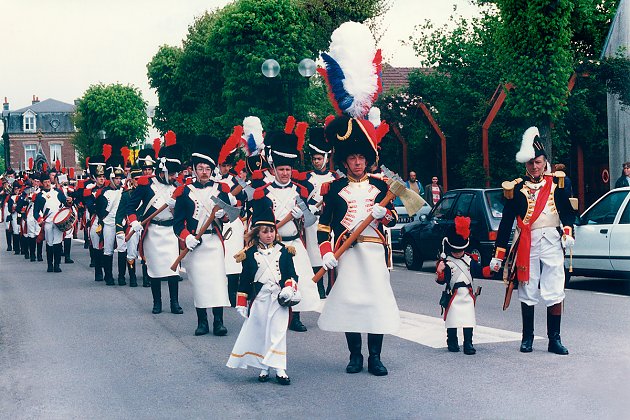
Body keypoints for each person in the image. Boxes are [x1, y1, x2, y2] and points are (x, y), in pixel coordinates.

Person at [317, 116, 399, 376]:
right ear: (345, 161)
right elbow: (323, 226)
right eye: (352, 158)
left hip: (374, 252)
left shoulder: (381, 186)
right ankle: (355, 355)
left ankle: (375, 357)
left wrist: (382, 214)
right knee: (350, 303)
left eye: (361, 157)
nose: (357, 162)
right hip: (347, 254)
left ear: (367, 159)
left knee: (375, 303)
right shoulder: (333, 188)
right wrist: (326, 252)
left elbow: (394, 217)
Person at [490, 126, 576, 355]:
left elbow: (568, 212)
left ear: (544, 161)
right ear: (525, 165)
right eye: (530, 163)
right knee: (527, 288)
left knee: (555, 289)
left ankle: (554, 339)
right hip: (527, 244)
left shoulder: (559, 183)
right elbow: (507, 222)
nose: (535, 167)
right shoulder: (516, 188)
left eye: (538, 162)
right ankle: (527, 337)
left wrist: (568, 232)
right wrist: (498, 254)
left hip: (552, 242)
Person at [250, 121, 319, 332]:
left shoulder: (301, 191)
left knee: (298, 279)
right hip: (273, 244)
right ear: (274, 169)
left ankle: (295, 317)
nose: (285, 173)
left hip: (294, 242)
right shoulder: (263, 192)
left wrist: (303, 214)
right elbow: (257, 223)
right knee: (273, 280)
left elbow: (309, 220)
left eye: (288, 169)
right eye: (281, 169)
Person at [226, 204, 299, 385]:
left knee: (278, 332)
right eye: (265, 231)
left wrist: (289, 288)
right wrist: (241, 302)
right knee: (262, 333)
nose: (269, 235)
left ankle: (280, 369)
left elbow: (292, 274)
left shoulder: (284, 251)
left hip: (279, 299)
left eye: (272, 231)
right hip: (259, 299)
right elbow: (245, 279)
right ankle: (264, 368)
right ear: (257, 233)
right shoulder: (249, 254)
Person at [173, 141, 232, 336]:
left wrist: (223, 214)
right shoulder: (185, 192)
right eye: (200, 168)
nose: (204, 172)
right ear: (194, 170)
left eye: (208, 168)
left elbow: (230, 216)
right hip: (195, 245)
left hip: (214, 241)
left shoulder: (221, 189)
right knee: (200, 283)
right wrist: (186, 237)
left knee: (216, 282)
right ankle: (202, 322)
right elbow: (177, 223)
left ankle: (219, 322)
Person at [127, 135, 184, 315]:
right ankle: (157, 303)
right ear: (163, 171)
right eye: (172, 173)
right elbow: (130, 205)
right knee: (154, 270)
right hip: (153, 231)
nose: (175, 176)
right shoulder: (146, 185)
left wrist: (177, 207)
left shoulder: (178, 187)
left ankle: (174, 303)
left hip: (171, 232)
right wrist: (134, 221)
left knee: (173, 269)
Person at [436, 216, 492, 355]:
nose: (458, 252)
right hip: (453, 295)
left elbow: (480, 272)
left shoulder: (469, 260)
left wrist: (491, 269)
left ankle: (468, 343)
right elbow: (442, 281)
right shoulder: (446, 262)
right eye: (455, 250)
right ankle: (452, 341)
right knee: (452, 320)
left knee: (468, 320)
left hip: (467, 294)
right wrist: (440, 271)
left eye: (460, 250)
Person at [300, 126, 337, 299]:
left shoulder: (335, 178)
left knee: (331, 252)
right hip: (312, 221)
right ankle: (319, 287)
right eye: (314, 159)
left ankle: (333, 285)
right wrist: (310, 207)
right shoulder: (306, 178)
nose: (316, 162)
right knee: (314, 254)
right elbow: (300, 199)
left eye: (319, 158)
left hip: (330, 220)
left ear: (326, 157)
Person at [94, 154, 126, 285]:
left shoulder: (123, 191)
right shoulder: (103, 193)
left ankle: (122, 276)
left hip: (121, 224)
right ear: (111, 178)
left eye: (120, 178)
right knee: (107, 250)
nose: (119, 181)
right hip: (108, 224)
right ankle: (108, 276)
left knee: (122, 249)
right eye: (116, 178)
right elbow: (100, 212)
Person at [32, 171, 72, 273]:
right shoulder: (40, 196)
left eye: (48, 181)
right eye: (45, 182)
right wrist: (39, 219)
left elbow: (66, 204)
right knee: (49, 244)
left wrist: (69, 202)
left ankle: (57, 265)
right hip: (48, 222)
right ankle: (50, 265)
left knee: (57, 243)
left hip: (58, 222)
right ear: (42, 183)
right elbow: (35, 212)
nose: (47, 183)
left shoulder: (58, 192)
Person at [115, 165, 143, 287]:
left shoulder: (148, 192)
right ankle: (132, 276)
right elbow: (119, 214)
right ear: (131, 180)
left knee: (146, 252)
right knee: (131, 252)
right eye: (136, 179)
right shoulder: (127, 195)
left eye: (140, 178)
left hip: (146, 225)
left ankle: (147, 278)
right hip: (132, 225)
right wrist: (119, 229)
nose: (138, 181)